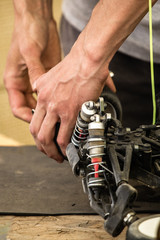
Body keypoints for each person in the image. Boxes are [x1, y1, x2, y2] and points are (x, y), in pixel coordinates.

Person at [3, 0, 158, 163]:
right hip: (93, 36)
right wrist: (33, 15)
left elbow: (89, 57)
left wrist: (89, 57)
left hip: (98, 49)